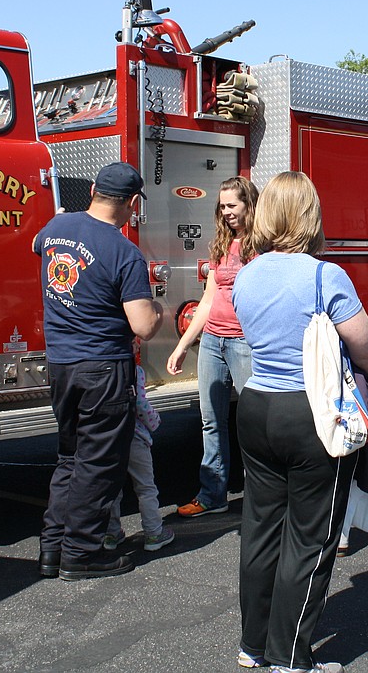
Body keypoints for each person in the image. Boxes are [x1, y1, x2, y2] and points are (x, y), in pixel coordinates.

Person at [231, 171, 368, 673]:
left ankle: (254, 647)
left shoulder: (247, 273)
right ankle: (291, 659)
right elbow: (367, 349)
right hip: (309, 412)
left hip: (255, 408)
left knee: (261, 529)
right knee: (310, 537)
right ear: (310, 215)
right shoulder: (324, 275)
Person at [34, 161, 163, 581]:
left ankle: (52, 548)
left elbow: (37, 245)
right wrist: (158, 310)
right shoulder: (124, 251)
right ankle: (81, 553)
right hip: (103, 368)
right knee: (97, 464)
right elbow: (142, 324)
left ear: (92, 189)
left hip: (61, 365)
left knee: (69, 457)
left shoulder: (54, 230)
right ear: (130, 203)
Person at [167, 176, 259, 517]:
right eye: (222, 206)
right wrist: (182, 345)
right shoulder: (221, 244)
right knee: (211, 421)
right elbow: (208, 300)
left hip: (244, 343)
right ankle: (212, 496)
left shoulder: (262, 245)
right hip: (212, 342)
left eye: (232, 205)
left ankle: (260, 497)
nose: (226, 212)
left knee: (252, 423)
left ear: (250, 205)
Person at [104, 365, 175, 553]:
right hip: (134, 436)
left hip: (108, 437)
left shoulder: (101, 368)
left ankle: (111, 533)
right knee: (145, 487)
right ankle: (153, 533)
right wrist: (155, 421)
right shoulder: (135, 371)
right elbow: (140, 404)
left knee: (112, 488)